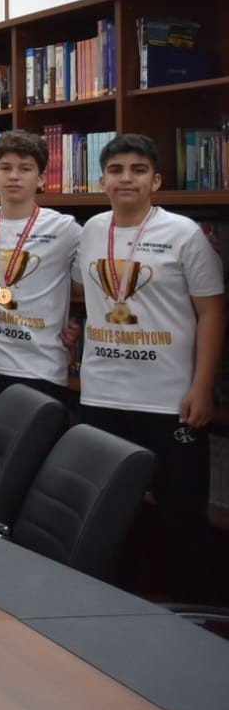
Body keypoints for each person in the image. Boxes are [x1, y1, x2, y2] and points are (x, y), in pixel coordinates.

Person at [76, 133, 224, 602]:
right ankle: (117, 606)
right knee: (109, 517)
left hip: (169, 401)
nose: (127, 178)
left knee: (183, 518)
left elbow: (212, 311)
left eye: (138, 170)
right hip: (100, 397)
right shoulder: (91, 230)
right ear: (102, 180)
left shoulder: (184, 234)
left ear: (155, 181)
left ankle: (196, 613)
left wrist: (203, 386)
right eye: (116, 170)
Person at [0, 130, 80, 432]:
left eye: (25, 169)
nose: (14, 176)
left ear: (41, 178)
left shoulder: (65, 229)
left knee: (35, 455)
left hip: (40, 369)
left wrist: (76, 324)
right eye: (6, 168)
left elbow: (93, 284)